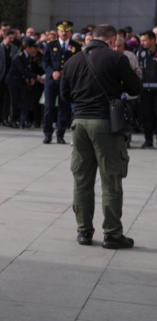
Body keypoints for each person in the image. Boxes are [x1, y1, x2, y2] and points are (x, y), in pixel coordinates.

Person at [60, 24, 141, 249]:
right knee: (111, 180)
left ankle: (84, 232)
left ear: (91, 38)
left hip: (79, 124)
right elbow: (136, 88)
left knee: (82, 180)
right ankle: (112, 234)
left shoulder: (73, 61)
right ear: (113, 39)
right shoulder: (116, 59)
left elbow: (64, 95)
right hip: (106, 124)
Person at [42, 21, 82, 144]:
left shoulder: (76, 46)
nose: (64, 33)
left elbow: (78, 63)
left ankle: (60, 134)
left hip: (67, 82)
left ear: (70, 32)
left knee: (64, 108)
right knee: (49, 107)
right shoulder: (50, 45)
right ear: (58, 32)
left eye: (67, 30)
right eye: (62, 30)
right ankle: (48, 134)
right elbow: (45, 62)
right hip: (52, 81)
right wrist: (52, 72)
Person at [6, 37, 37, 129]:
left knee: (24, 101)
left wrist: (30, 77)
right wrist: (35, 76)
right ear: (28, 47)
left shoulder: (29, 56)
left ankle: (24, 120)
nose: (34, 49)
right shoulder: (18, 56)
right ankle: (13, 120)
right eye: (33, 47)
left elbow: (28, 69)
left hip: (22, 81)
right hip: (14, 81)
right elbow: (22, 70)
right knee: (14, 101)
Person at [137, 31, 157, 148]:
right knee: (146, 115)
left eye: (145, 40)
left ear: (153, 40)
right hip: (144, 89)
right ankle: (148, 139)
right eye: (141, 40)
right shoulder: (140, 52)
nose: (142, 43)